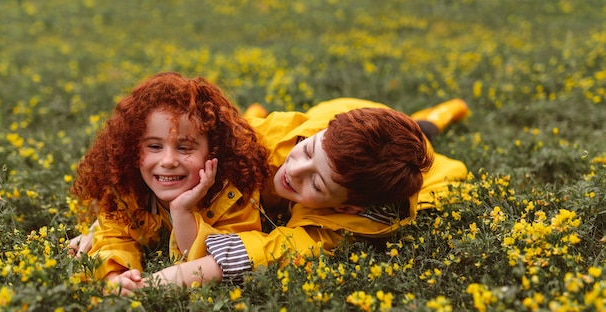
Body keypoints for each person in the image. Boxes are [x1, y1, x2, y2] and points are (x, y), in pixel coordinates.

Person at [101, 97, 469, 294]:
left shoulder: (353, 219)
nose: (292, 172)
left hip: (419, 158)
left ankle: (438, 115)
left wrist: (149, 285)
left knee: (430, 141)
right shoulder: (292, 135)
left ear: (345, 204)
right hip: (337, 111)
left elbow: (251, 255)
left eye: (317, 185)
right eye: (306, 152)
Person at [69, 72, 271, 281]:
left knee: (253, 127)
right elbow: (113, 238)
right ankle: (254, 112)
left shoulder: (233, 193)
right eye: (154, 146)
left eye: (184, 147)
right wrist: (116, 278)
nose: (168, 160)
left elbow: (209, 264)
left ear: (213, 152)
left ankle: (256, 113)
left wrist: (181, 211)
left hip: (271, 134)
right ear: (132, 149)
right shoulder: (127, 191)